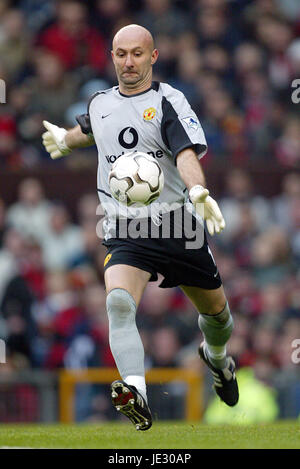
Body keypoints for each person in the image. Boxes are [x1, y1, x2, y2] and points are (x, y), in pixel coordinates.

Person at [42, 24, 239, 431]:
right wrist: (64, 138)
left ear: (153, 56)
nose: (128, 62)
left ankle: (217, 359)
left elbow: (184, 151)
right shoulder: (99, 102)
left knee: (218, 318)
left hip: (177, 225)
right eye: (120, 54)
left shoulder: (169, 100)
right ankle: (136, 392)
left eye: (136, 54)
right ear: (112, 56)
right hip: (125, 228)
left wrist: (199, 191)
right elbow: (92, 130)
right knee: (117, 303)